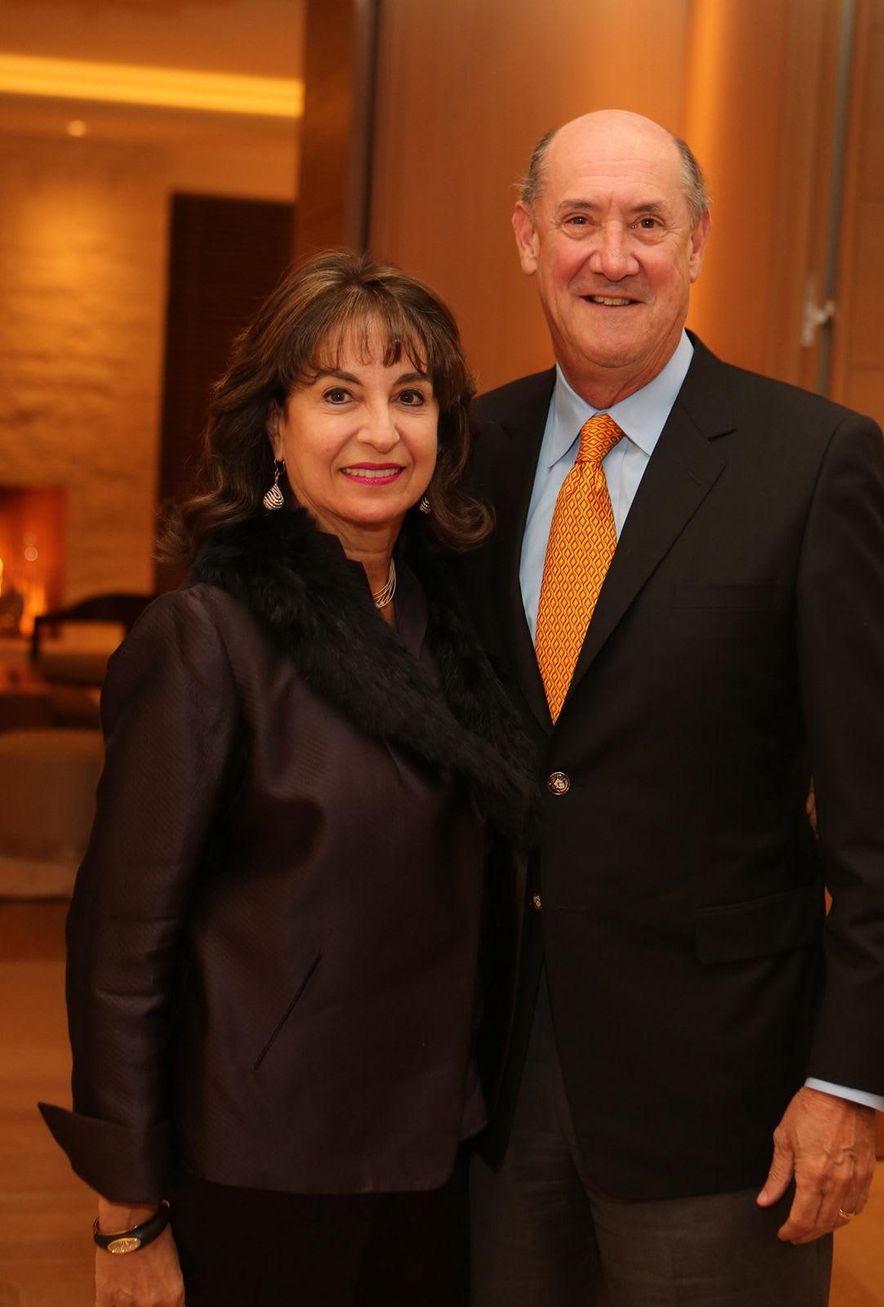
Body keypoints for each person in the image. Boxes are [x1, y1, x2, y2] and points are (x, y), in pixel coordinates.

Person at [465, 109, 884, 1306]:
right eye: (577, 219)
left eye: (645, 223)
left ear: (697, 242)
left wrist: (847, 1081)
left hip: (722, 1099)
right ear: (527, 237)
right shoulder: (465, 451)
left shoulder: (814, 459)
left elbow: (883, 818)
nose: (609, 256)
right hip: (483, 1091)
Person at [39, 250, 535, 1307]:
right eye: (337, 394)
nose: (379, 430)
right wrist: (127, 1217)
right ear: (274, 427)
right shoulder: (206, 639)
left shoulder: (457, 639)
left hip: (436, 1156)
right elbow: (123, 950)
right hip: (262, 1170)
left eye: (410, 396)